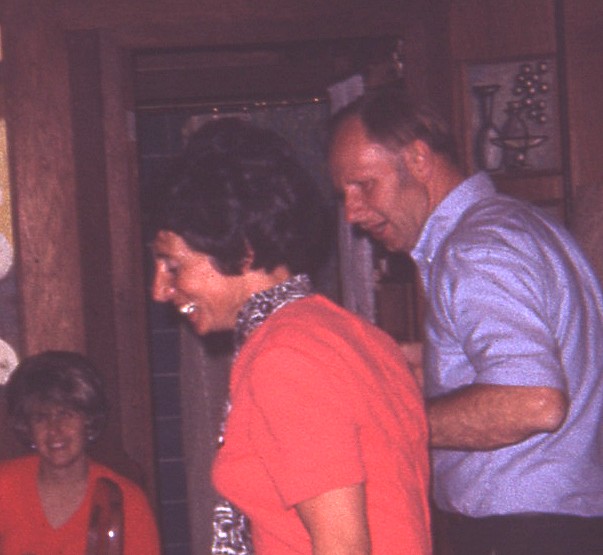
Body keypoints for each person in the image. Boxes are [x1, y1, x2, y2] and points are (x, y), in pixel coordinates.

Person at [328, 87, 603, 555]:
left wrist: (389, 423)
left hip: (523, 535)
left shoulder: (477, 249)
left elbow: (532, 402)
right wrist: (426, 364)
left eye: (364, 185)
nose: (352, 213)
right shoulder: (520, 224)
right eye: (344, 195)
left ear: (418, 159)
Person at [149, 117, 432, 554]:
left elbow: (342, 547)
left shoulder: (288, 358)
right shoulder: (341, 332)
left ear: (242, 250)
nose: (159, 290)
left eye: (173, 266)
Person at [0, 350, 161, 555]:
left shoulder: (126, 500)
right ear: (27, 427)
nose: (54, 430)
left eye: (66, 415)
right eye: (41, 418)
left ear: (88, 420)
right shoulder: (4, 485)